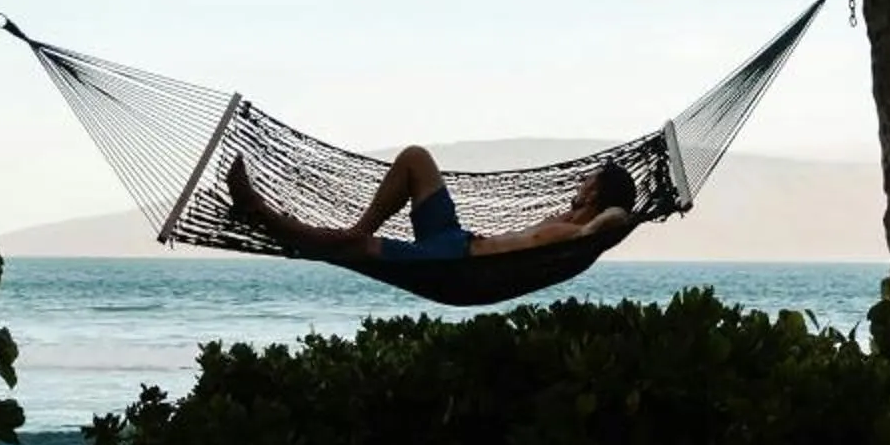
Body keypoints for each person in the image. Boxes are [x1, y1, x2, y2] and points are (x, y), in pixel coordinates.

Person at [226, 144, 637, 269]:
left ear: (596, 194)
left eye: (590, 178)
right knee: (415, 158)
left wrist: (617, 213)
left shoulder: (579, 235)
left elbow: (613, 221)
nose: (581, 181)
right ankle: (360, 227)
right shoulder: (566, 221)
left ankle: (260, 214)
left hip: (456, 263)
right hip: (456, 239)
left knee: (358, 251)